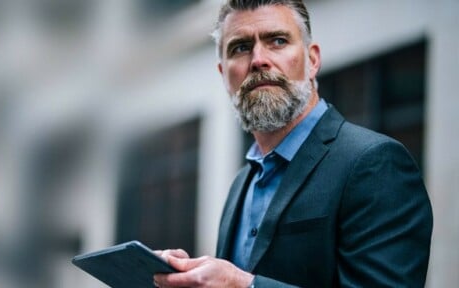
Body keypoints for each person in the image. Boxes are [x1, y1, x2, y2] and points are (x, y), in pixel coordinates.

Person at [153, 0, 433, 287]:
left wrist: (242, 284)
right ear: (224, 75)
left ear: (312, 61)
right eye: (240, 47)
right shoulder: (241, 182)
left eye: (277, 40)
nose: (258, 59)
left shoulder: (375, 162)